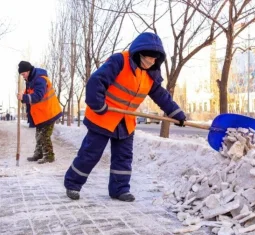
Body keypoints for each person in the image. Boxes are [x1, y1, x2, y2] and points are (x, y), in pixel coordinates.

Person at [64, 32, 186, 202]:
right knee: (90, 153)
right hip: (104, 116)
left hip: (126, 121)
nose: (151, 62)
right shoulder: (119, 61)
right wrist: (98, 105)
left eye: (154, 60)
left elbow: (161, 95)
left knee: (123, 157)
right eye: (148, 58)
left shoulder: (151, 73)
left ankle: (119, 189)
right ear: (139, 53)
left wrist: (176, 114)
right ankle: (72, 184)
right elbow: (95, 81)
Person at [16, 61, 62, 164]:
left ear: (28, 71)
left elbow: (38, 96)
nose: (23, 77)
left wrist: (23, 97)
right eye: (21, 75)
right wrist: (22, 96)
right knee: (38, 135)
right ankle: (39, 154)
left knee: (44, 135)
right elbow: (30, 95)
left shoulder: (40, 79)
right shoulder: (30, 80)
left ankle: (49, 156)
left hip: (49, 112)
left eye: (23, 74)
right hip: (42, 114)